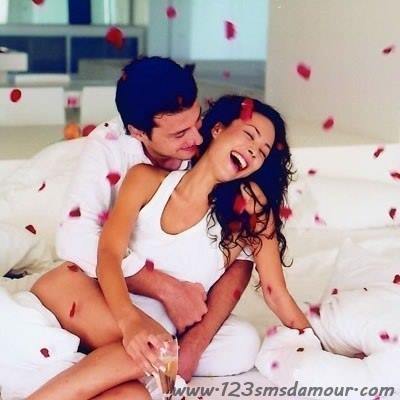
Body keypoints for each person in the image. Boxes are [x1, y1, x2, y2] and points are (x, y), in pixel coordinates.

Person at [28, 95, 310, 399]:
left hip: (145, 335)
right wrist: (130, 321)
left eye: (263, 152)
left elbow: (276, 293)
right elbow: (108, 253)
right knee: (159, 352)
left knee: (136, 395)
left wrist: (314, 344)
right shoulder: (145, 179)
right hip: (83, 293)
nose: (254, 150)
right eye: (249, 135)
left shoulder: (248, 218)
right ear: (218, 130)